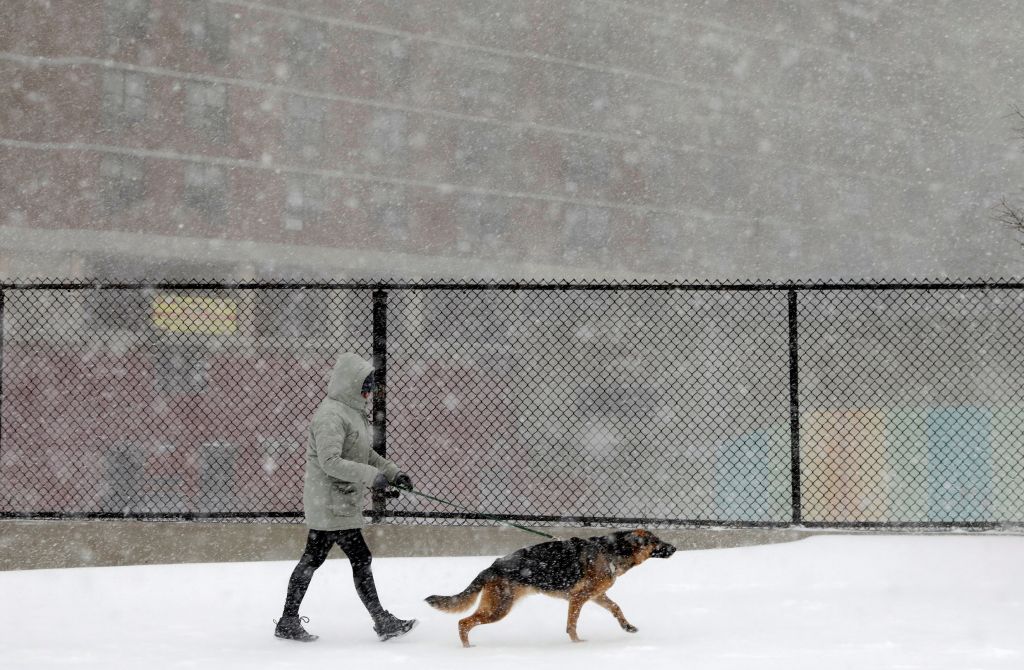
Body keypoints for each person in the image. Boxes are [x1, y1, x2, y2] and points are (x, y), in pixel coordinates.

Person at [275, 352, 417, 642]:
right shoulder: (330, 416)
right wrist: (370, 476)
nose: (370, 392)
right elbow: (330, 462)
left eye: (372, 386)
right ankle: (381, 621)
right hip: (329, 502)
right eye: (366, 385)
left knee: (315, 559)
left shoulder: (353, 413)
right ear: (350, 384)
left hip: (341, 501)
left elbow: (365, 453)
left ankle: (288, 620)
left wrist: (392, 473)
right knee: (355, 558)